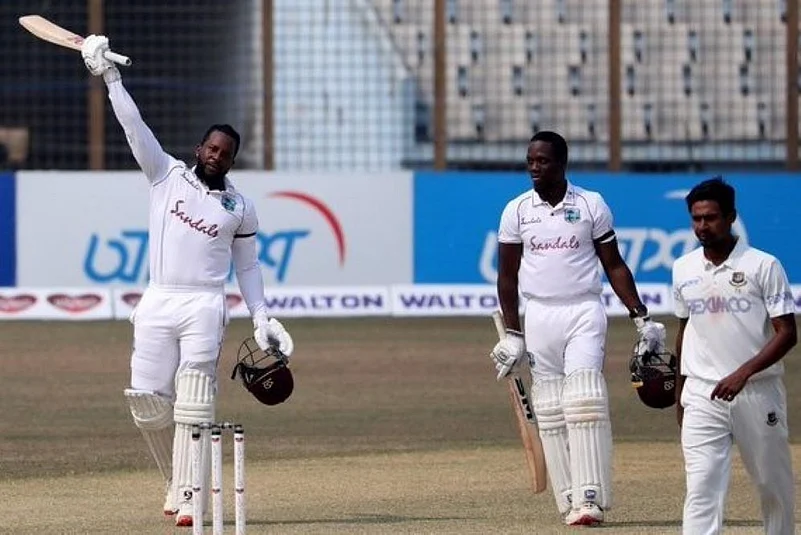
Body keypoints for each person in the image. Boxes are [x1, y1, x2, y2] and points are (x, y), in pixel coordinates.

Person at [80, 36, 295, 527]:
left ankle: (190, 494)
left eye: (226, 153)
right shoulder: (166, 175)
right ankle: (174, 482)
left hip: (204, 304)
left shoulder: (239, 207)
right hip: (158, 299)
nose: (217, 155)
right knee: (146, 402)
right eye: (212, 148)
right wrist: (111, 77)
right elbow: (133, 127)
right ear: (200, 148)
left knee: (194, 401)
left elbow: (248, 267)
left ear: (233, 161)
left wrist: (262, 318)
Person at [490, 131, 666, 527]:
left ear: (562, 163)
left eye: (543, 161)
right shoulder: (516, 210)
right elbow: (507, 277)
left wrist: (640, 316)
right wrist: (514, 335)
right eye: (530, 161)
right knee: (551, 408)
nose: (535, 168)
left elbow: (614, 265)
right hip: (539, 315)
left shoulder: (590, 204)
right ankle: (568, 497)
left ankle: (591, 497)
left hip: (584, 310)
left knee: (585, 399)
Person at [672, 177, 797, 534]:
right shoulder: (683, 268)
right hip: (702, 393)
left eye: (710, 218)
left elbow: (787, 333)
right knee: (701, 486)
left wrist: (743, 373)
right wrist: (680, 394)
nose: (702, 226)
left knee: (771, 483)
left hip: (756, 391)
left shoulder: (763, 265)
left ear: (730, 217)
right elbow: (684, 331)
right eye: (696, 218)